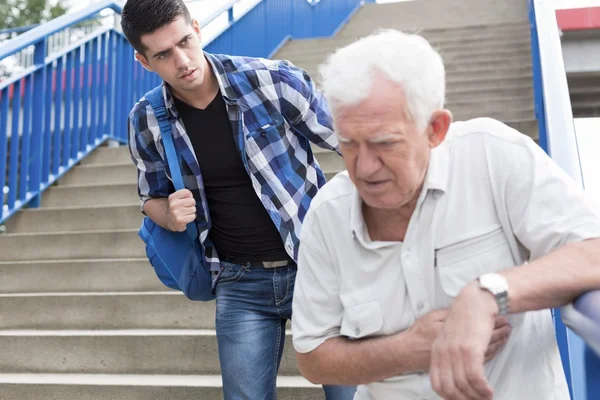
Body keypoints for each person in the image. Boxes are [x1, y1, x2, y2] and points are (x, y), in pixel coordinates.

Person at [291, 29, 600, 400]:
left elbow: (592, 252)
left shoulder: (493, 155)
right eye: (348, 143)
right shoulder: (327, 213)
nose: (365, 167)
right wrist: (409, 349)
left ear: (435, 129)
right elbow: (312, 358)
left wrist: (487, 293)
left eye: (384, 143)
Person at [121, 0, 356, 398]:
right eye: (163, 54)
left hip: (316, 267)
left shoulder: (272, 80)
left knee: (350, 394)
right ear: (144, 61)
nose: (182, 61)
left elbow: (351, 145)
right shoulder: (146, 120)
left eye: (185, 42)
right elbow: (150, 197)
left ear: (196, 28)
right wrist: (169, 215)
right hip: (238, 281)